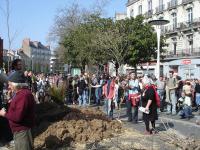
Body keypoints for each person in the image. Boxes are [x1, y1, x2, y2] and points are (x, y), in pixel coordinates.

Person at [0, 71, 35, 150]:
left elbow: (17, 116)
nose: (8, 87)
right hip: (20, 131)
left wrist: (4, 114)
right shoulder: (21, 94)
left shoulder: (23, 95)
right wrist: (10, 102)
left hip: (23, 132)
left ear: (16, 84)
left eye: (10, 84)